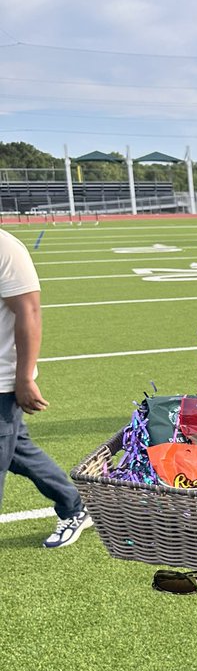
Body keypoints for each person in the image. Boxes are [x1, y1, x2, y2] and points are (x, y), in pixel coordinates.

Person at [0, 227, 92, 547]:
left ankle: (75, 507)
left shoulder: (5, 248)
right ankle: (74, 505)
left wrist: (24, 379)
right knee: (17, 451)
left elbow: (29, 311)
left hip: (2, 383)